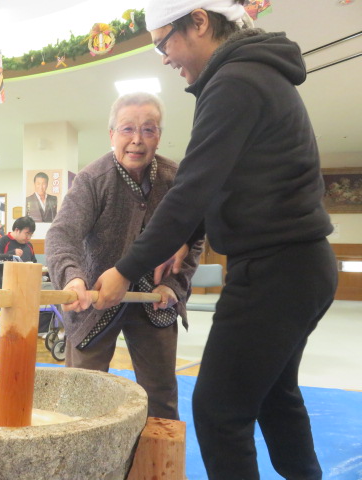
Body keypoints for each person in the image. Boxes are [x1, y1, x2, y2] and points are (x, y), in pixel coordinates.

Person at [94, 2, 338, 478]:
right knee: (274, 394)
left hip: (276, 269)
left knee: (218, 411)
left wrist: (125, 269)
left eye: (165, 42)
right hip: (303, 265)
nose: (164, 57)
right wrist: (181, 240)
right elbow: (229, 182)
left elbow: (192, 189)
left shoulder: (235, 82)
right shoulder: (255, 74)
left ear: (200, 21)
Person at [46, 92, 202, 420]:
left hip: (154, 302)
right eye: (127, 129)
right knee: (80, 394)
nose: (137, 140)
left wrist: (173, 285)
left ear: (159, 136)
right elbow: (62, 235)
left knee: (160, 394)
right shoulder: (93, 180)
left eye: (148, 129)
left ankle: (158, 466)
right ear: (111, 135)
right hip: (94, 300)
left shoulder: (177, 180)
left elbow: (195, 237)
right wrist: (72, 277)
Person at [0, 216, 37, 289]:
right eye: (27, 234)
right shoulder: (1, 242)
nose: (28, 238)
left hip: (25, 288)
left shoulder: (29, 245)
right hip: (4, 288)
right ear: (17, 230)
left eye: (31, 235)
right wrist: (11, 255)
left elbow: (33, 263)